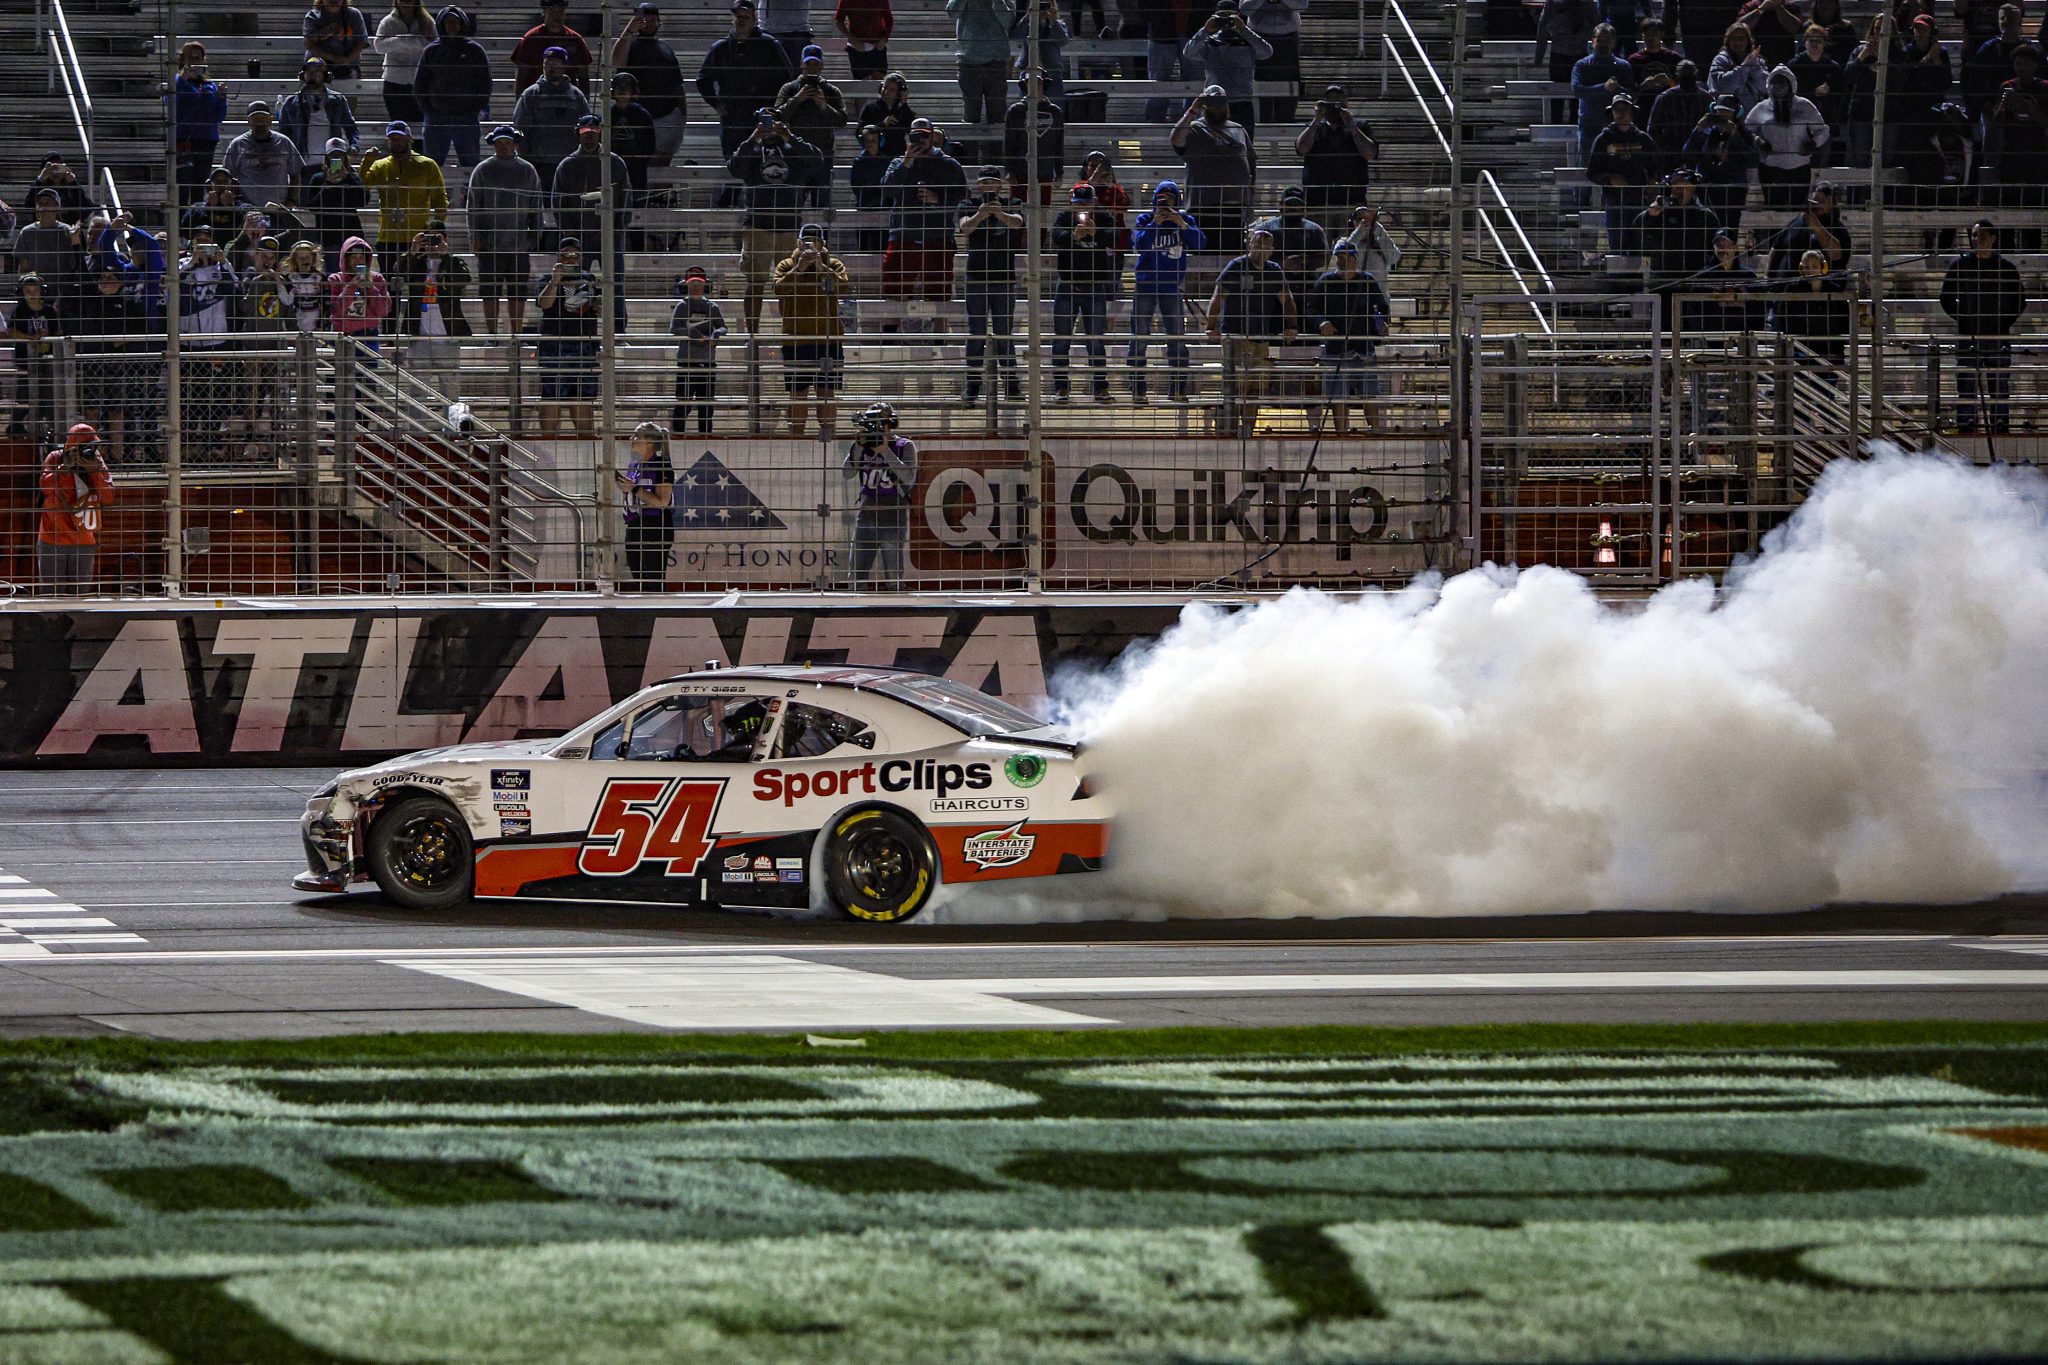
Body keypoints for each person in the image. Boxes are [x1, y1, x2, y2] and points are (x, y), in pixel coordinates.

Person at [729, 112, 823, 334]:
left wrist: (789, 136)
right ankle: (752, 333)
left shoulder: (794, 149)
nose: (770, 127)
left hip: (788, 224)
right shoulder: (753, 148)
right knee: (755, 281)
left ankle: (789, 330)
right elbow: (734, 167)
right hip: (758, 225)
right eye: (765, 122)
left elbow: (817, 160)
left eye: (774, 122)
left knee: (788, 283)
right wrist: (754, 138)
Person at [1207, 225, 1296, 437]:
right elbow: (1218, 297)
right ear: (1250, 245)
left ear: (1272, 249)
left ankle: (1247, 428)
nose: (1261, 249)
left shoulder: (1274, 271)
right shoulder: (1237, 267)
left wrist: (1292, 325)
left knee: (1256, 387)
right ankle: (1229, 426)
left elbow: (1287, 299)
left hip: (1260, 337)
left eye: (1266, 245)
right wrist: (1211, 326)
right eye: (1258, 244)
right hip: (1235, 336)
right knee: (1237, 386)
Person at [1939, 219, 2028, 432]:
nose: (1977, 240)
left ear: (1993, 239)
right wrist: (1963, 318)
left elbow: (2020, 300)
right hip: (1969, 334)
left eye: (1982, 236)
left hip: (1997, 335)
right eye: (1974, 236)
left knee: (1999, 385)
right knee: (1967, 384)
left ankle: (1999, 424)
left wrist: (2003, 320)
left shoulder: (2005, 268)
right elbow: (1946, 297)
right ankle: (1967, 424)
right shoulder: (1960, 265)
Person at [880, 119, 969, 329]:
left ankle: (939, 341)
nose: (921, 140)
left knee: (939, 294)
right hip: (904, 234)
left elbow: (963, 195)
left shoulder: (949, 164)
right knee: (895, 291)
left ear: (933, 137)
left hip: (937, 236)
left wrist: (937, 199)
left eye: (925, 136)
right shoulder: (898, 162)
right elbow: (886, 190)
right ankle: (891, 340)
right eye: (915, 136)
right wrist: (907, 163)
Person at [1128, 179, 1204, 401]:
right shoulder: (1146, 219)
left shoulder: (1185, 220)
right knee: (1139, 336)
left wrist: (1181, 223)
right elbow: (1139, 244)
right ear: (1155, 200)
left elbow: (1200, 243)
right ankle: (1137, 389)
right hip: (1146, 285)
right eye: (1162, 199)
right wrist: (1155, 224)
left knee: (1177, 338)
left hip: (1171, 286)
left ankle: (1178, 388)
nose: (1166, 203)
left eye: (1171, 199)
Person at [1305, 239, 1390, 433]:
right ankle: (1341, 433)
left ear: (1356, 259)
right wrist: (1321, 322)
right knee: (1338, 396)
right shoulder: (1326, 281)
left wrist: (1382, 323)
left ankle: (1375, 432)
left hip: (1363, 346)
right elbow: (1311, 307)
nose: (1344, 262)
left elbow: (1381, 308)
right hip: (1336, 347)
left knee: (1369, 394)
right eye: (1340, 258)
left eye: (1348, 258)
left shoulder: (1367, 280)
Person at [956, 166, 1025, 403]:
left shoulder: (1012, 202)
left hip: (1004, 278)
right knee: (976, 334)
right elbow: (965, 227)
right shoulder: (969, 204)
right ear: (978, 185)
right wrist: (981, 214)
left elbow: (1018, 222)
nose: (988, 187)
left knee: (1004, 334)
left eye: (992, 183)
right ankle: (973, 387)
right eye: (984, 183)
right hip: (977, 278)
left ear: (999, 185)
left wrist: (999, 213)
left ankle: (1012, 387)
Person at [772, 226, 849, 437]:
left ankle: (828, 436)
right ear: (798, 243)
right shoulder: (786, 264)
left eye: (814, 241)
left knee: (827, 393)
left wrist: (821, 266)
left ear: (822, 244)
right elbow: (778, 289)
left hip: (828, 339)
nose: (810, 245)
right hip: (796, 340)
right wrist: (799, 268)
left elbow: (843, 287)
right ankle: (797, 437)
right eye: (806, 241)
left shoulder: (833, 264)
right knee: (798, 393)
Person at [698, 0, 796, 159]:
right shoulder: (721, 47)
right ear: (732, 18)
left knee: (766, 163)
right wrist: (716, 104)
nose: (741, 20)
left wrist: (778, 109)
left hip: (764, 116)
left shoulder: (770, 44)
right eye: (738, 16)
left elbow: (787, 78)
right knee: (734, 162)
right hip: (733, 118)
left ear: (755, 19)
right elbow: (703, 79)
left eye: (746, 16)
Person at [468, 126, 542, 333]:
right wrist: (475, 237)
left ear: (514, 144)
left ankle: (515, 334)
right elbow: (473, 207)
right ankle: (492, 332)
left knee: (517, 292)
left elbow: (536, 205)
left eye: (506, 143)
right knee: (489, 292)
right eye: (499, 143)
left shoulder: (527, 170)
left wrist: (535, 235)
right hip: (490, 245)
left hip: (518, 244)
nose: (503, 147)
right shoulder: (482, 169)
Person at [1050, 182, 1118, 401]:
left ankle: (1100, 386)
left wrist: (1095, 232)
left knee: (1096, 340)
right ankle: (1061, 386)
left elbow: (1116, 236)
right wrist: (1073, 236)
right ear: (1072, 203)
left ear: (1095, 202)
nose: (1083, 208)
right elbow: (1055, 236)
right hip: (1068, 284)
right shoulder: (1064, 217)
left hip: (1094, 285)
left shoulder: (1104, 217)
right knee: (1062, 339)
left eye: (1087, 203)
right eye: (1079, 204)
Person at [72, 263, 147, 461]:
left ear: (120, 282)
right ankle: (92, 454)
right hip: (92, 361)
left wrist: (124, 338)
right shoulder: (91, 301)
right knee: (91, 410)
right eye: (102, 277)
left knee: (116, 410)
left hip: (117, 363)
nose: (106, 281)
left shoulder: (128, 303)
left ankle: (117, 455)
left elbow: (142, 327)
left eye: (111, 278)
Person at [1172, 85, 1254, 259]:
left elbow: (1251, 164)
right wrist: (1192, 110)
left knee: (1232, 260)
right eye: (1212, 102)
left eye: (1220, 102)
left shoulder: (1238, 129)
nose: (1217, 106)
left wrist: (1249, 198)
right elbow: (1176, 139)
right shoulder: (1193, 128)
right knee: (1202, 260)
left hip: (1234, 207)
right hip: (1202, 206)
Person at [413, 5, 492, 184]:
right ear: (441, 24)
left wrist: (473, 109)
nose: (452, 25)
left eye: (456, 21)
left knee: (471, 166)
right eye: (448, 21)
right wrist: (429, 111)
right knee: (431, 166)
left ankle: (471, 202)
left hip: (466, 119)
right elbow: (420, 85)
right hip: (436, 119)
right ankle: (432, 203)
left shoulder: (475, 50)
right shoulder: (431, 51)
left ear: (463, 24)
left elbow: (485, 84)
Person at [359, 120, 449, 277]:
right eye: (393, 139)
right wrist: (367, 161)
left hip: (419, 237)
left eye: (400, 138)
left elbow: (440, 199)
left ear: (409, 139)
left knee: (418, 286)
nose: (397, 142)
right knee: (390, 286)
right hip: (388, 238)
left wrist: (435, 230)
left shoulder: (427, 165)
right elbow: (361, 186)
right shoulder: (380, 165)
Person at [392, 220, 471, 394]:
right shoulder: (416, 262)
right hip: (419, 337)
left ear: (445, 239)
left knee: (450, 392)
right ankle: (415, 422)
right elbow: (398, 273)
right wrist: (412, 251)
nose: (432, 243)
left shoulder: (454, 262)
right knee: (417, 392)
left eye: (437, 238)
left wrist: (445, 256)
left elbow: (464, 279)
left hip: (447, 337)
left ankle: (450, 423)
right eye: (428, 238)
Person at [843, 402, 916, 589]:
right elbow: (847, 473)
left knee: (894, 576)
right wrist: (859, 447)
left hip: (893, 512)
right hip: (866, 512)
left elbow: (908, 477)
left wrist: (885, 450)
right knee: (857, 573)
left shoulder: (904, 445)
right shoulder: (862, 445)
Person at [534, 237, 601, 436]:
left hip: (583, 344)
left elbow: (596, 309)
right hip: (555, 343)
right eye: (566, 254)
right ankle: (547, 441)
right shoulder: (547, 279)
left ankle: (586, 443)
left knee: (582, 396)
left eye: (575, 255)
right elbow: (544, 304)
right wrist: (556, 280)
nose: (571, 260)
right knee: (551, 395)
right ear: (558, 256)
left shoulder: (588, 279)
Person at [37, 424, 113, 593]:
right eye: (85, 446)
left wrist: (94, 471)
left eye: (93, 446)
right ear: (71, 446)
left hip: (84, 539)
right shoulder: (55, 458)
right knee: (51, 597)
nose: (90, 450)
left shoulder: (96, 462)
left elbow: (108, 497)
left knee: (80, 597)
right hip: (52, 539)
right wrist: (65, 468)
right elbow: (45, 487)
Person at [613, 4, 689, 165]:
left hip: (667, 118)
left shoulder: (666, 48)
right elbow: (616, 61)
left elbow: (677, 83)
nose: (649, 23)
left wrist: (682, 113)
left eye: (654, 19)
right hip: (637, 119)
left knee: (661, 169)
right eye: (645, 19)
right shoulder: (630, 44)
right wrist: (629, 30)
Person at [1296, 85, 1378, 235]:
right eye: (1330, 103)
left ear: (1346, 103)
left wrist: (1351, 126)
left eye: (1338, 103)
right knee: (1319, 251)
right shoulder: (1316, 129)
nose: (1334, 108)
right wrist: (1316, 119)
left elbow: (1370, 153)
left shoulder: (1360, 126)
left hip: (1351, 200)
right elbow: (1301, 148)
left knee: (1350, 251)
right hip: (1318, 202)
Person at [774, 46, 850, 206]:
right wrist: (796, 99)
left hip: (823, 156)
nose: (812, 68)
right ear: (802, 64)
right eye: (809, 64)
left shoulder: (832, 91)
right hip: (795, 156)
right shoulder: (789, 88)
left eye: (816, 64)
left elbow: (842, 120)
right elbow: (777, 116)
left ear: (821, 66)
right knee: (792, 205)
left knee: (822, 207)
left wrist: (824, 106)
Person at [1747, 63, 1830, 209]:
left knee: (1798, 211)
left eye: (1782, 82)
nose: (1778, 86)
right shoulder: (1762, 107)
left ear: (1791, 85)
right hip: (1770, 167)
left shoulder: (1804, 105)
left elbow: (1822, 130)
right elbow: (1747, 129)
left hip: (1799, 166)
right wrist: (1757, 140)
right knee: (1774, 211)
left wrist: (1813, 143)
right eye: (1774, 82)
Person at [512, 47, 593, 195]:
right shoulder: (530, 94)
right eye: (547, 63)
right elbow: (521, 130)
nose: (551, 68)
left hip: (570, 163)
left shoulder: (577, 95)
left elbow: (587, 130)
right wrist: (528, 163)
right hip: (540, 164)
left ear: (565, 66)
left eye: (555, 63)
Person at [1184, 2, 1273, 132]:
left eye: (1230, 17)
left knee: (1244, 146)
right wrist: (1205, 30)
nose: (1226, 21)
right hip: (1215, 102)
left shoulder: (1248, 41)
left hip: (1242, 102)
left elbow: (1267, 52)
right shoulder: (1210, 41)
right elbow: (1188, 52)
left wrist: (1243, 30)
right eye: (1221, 17)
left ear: (1238, 16)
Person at [1681, 94, 1757, 240]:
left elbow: (1751, 158)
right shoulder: (1707, 132)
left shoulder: (1742, 132)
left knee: (1730, 228)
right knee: (1707, 225)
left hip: (1733, 187)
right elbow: (1687, 153)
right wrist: (1698, 129)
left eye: (1726, 112)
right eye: (1719, 111)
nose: (1722, 115)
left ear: (1736, 113)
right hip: (1708, 185)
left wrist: (1734, 134)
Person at [1588, 93, 1655, 255]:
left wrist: (1652, 181)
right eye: (1617, 109)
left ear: (1632, 112)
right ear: (1611, 112)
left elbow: (1657, 162)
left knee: (1640, 244)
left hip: (1638, 199)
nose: (1620, 113)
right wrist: (1610, 179)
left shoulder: (1642, 139)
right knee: (1617, 246)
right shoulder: (1603, 140)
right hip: (1615, 201)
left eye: (1625, 109)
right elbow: (1592, 173)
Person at [1634, 168, 1722, 290]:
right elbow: (1637, 229)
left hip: (1695, 276)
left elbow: (1714, 247)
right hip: (1663, 276)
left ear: (1693, 188)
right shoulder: (1660, 211)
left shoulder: (1705, 215)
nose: (1678, 189)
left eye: (1683, 185)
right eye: (1675, 184)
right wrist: (1650, 215)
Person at [615, 420, 675, 590]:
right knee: (639, 578)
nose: (631, 438)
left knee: (652, 579)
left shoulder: (661, 464)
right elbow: (636, 493)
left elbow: (663, 502)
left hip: (655, 525)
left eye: (636, 435)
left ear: (649, 442)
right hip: (634, 524)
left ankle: (657, 611)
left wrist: (633, 488)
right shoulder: (634, 466)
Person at [669, 264, 728, 433]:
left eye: (699, 284)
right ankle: (678, 435)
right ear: (686, 285)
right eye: (693, 284)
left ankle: (705, 436)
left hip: (707, 362)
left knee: (706, 406)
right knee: (683, 403)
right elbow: (673, 329)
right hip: (687, 362)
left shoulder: (712, 307)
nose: (696, 287)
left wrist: (715, 335)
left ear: (704, 285)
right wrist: (692, 333)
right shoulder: (681, 306)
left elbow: (723, 327)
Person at [172, 43, 231, 206]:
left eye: (198, 58)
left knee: (200, 182)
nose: (195, 62)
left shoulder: (209, 85)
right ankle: (182, 223)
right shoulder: (177, 82)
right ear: (183, 60)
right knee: (183, 184)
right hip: (184, 139)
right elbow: (170, 105)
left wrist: (221, 97)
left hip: (206, 139)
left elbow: (219, 115)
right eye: (191, 58)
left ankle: (197, 220)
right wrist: (182, 79)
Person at [1248, 184, 1329, 302]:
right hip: (1271, 285)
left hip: (1305, 285)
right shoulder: (1266, 228)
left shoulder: (1314, 230)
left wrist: (1302, 259)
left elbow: (1325, 258)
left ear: (1304, 207)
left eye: (1297, 205)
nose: (1293, 209)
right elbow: (1253, 257)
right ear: (1281, 205)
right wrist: (1281, 264)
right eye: (1289, 205)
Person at [278, 59, 360, 174]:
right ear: (303, 75)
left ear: (326, 76)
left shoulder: (337, 100)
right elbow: (283, 133)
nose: (312, 75)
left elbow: (351, 128)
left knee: (332, 189)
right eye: (309, 71)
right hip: (302, 164)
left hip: (333, 162)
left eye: (317, 71)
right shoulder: (291, 102)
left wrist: (354, 146)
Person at [6, 273, 61, 443]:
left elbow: (57, 331)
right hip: (25, 361)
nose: (31, 294)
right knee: (24, 396)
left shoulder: (49, 311)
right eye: (27, 291)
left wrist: (46, 338)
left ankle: (50, 431)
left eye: (35, 290)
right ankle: (15, 426)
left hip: (46, 360)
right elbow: (12, 331)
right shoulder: (20, 311)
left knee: (48, 395)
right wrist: (31, 338)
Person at [222, 103, 304, 212]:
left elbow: (295, 174)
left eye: (263, 119)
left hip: (279, 208)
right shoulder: (237, 145)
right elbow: (227, 176)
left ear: (270, 120)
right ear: (249, 122)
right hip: (248, 209)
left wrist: (292, 200)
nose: (259, 123)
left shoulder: (284, 142)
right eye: (255, 119)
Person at [1992, 45, 2048, 203]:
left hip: (2038, 151)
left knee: (2036, 199)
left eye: (2026, 62)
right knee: (2010, 198)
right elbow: (1996, 123)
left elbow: (2045, 121)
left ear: (2035, 64)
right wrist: (2003, 105)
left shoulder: (2043, 88)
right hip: (2012, 150)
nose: (2021, 67)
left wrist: (2025, 105)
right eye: (2017, 63)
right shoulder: (2007, 86)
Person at [949, 0, 1018, 126]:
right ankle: (970, 146)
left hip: (996, 62)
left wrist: (997, 2)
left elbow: (1009, 22)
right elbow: (951, 12)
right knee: (971, 116)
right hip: (968, 62)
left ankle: (995, 145)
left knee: (997, 116)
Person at [1762, 178, 1849, 278]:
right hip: (1784, 287)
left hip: (1819, 289)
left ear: (1832, 204)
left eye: (1824, 200)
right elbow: (1776, 248)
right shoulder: (1797, 222)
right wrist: (1768, 277)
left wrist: (1816, 227)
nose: (1819, 204)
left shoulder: (1838, 228)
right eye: (1816, 199)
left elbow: (1836, 254)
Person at [1573, 24, 1636, 160]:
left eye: (1607, 40)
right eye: (1599, 40)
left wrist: (1617, 89)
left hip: (1617, 127)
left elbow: (1633, 94)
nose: (1603, 44)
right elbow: (1577, 90)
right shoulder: (1582, 65)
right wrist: (1603, 88)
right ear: (1592, 41)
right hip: (1589, 126)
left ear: (1614, 42)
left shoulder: (1623, 66)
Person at [302, 139, 371, 264]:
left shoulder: (353, 177)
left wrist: (348, 178)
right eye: (333, 155)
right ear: (327, 158)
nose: (337, 159)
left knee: (355, 271)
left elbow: (363, 200)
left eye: (339, 155)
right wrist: (328, 183)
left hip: (351, 233)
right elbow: (313, 207)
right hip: (328, 236)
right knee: (332, 273)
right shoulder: (318, 179)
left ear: (345, 157)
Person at [1243, 0, 1309, 124]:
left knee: (1289, 82)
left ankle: (1286, 121)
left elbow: (1303, 5)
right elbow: (1244, 9)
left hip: (1288, 38)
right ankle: (1261, 122)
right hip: (1259, 35)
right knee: (1259, 83)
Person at [1004, 77, 1067, 206]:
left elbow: (1058, 143)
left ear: (1044, 84)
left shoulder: (1055, 112)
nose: (1035, 86)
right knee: (1018, 211)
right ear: (1025, 85)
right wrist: (1008, 170)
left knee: (1043, 211)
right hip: (1020, 171)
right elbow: (1009, 142)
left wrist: (1059, 171)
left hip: (1045, 170)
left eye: (1039, 82)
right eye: (1031, 82)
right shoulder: (1016, 111)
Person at [374, 0, 437, 125]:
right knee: (398, 125)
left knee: (419, 123)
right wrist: (400, 40)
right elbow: (378, 47)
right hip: (394, 81)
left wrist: (416, 41)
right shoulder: (387, 22)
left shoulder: (427, 22)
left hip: (420, 81)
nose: (405, 3)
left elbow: (435, 47)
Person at [327, 234, 392, 352]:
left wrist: (370, 288)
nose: (357, 261)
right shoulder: (336, 279)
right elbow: (335, 311)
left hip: (368, 336)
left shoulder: (377, 279)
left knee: (368, 370)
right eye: (354, 257)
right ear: (346, 259)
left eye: (361, 257)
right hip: (343, 336)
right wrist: (351, 287)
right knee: (341, 369)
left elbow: (384, 310)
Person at [513, 0, 592, 91]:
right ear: (544, 12)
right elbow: (521, 75)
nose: (556, 15)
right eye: (552, 11)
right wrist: (521, 101)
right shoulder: (530, 39)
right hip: (537, 98)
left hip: (566, 99)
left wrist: (583, 101)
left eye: (560, 11)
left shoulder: (575, 39)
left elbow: (583, 76)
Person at [1650, 59, 1711, 169]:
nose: (1687, 78)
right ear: (1677, 76)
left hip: (1699, 154)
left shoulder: (1706, 98)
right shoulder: (1665, 98)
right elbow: (1653, 128)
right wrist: (1664, 149)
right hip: (1671, 155)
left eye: (1690, 74)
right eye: (1684, 74)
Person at [1012, 0, 1072, 105]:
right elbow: (1016, 35)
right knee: (1026, 108)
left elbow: (1063, 41)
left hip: (1052, 73)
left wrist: (1053, 22)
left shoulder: (1060, 24)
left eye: (1046, 5)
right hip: (1028, 72)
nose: (1043, 8)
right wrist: (1029, 16)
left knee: (1055, 108)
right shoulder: (1028, 23)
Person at [857, 73, 922, 158]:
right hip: (875, 158)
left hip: (898, 157)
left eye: (892, 90)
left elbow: (913, 130)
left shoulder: (903, 111)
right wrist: (882, 125)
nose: (886, 92)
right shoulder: (870, 108)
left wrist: (904, 103)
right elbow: (859, 132)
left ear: (899, 93)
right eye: (885, 87)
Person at [304, 0, 371, 79]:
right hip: (319, 65)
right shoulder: (312, 16)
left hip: (348, 65)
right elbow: (309, 44)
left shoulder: (354, 14)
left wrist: (347, 60)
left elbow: (361, 42)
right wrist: (334, 59)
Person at [836, 0, 895, 81]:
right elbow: (839, 21)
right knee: (860, 83)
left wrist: (884, 38)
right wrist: (853, 40)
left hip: (877, 47)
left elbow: (889, 20)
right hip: (857, 48)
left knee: (879, 82)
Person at [1738, 0, 1806, 67]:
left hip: (1785, 58)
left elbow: (1796, 29)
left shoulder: (1791, 6)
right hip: (1756, 59)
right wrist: (1761, 9)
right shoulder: (1751, 5)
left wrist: (1779, 8)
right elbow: (1740, 27)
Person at [283, 239, 331, 333]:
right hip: (295, 327)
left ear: (313, 258)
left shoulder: (321, 278)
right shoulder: (289, 278)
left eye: (307, 257)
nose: (305, 260)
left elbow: (327, 304)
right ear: (295, 260)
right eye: (301, 258)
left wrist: (321, 325)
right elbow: (286, 304)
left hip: (316, 327)